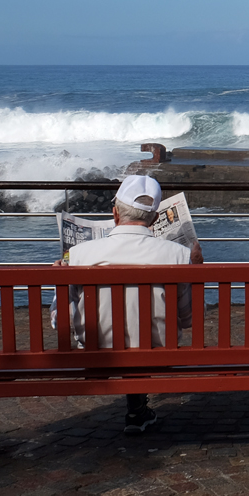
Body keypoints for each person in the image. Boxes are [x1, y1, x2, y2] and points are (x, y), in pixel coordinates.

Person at [67, 174, 202, 433]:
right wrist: (196, 273)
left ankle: (137, 411)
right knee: (140, 330)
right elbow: (188, 318)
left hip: (97, 351)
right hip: (159, 350)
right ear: (154, 219)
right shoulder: (179, 255)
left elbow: (58, 320)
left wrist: (58, 276)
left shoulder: (79, 255)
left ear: (115, 214)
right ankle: (137, 411)